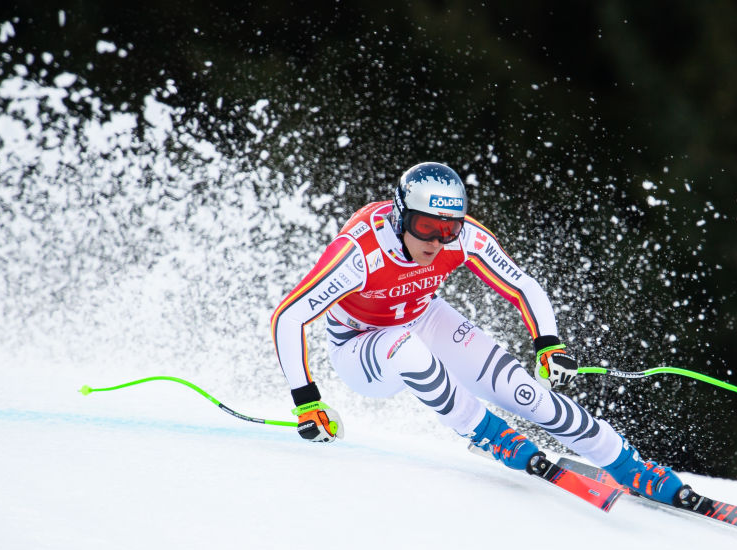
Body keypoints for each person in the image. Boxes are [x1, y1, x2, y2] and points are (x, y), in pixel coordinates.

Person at [269, 162, 688, 505]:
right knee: (407, 349)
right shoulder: (359, 252)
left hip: (422, 317)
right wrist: (307, 403)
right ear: (400, 214)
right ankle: (486, 433)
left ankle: (625, 464)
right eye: (425, 226)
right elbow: (288, 317)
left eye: (447, 229)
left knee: (527, 393)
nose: (436, 241)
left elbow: (521, 284)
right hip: (362, 348)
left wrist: (548, 344)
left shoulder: (462, 238)